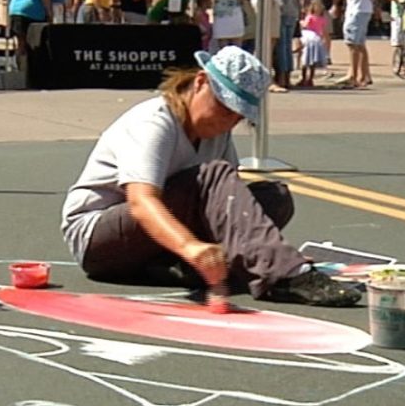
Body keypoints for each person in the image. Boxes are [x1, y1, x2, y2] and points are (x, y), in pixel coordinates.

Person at [60, 46, 357, 307]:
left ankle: (179, 265)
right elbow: (141, 202)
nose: (229, 120)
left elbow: (230, 204)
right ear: (200, 82)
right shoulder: (154, 122)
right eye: (225, 108)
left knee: (273, 197)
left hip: (156, 237)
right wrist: (192, 246)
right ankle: (284, 276)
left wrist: (270, 247)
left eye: (238, 116)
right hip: (98, 237)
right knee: (215, 175)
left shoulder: (217, 133)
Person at [296, 0, 330, 88]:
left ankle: (303, 78)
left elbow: (305, 25)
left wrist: (301, 22)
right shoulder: (322, 19)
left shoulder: (310, 17)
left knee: (306, 59)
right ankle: (310, 79)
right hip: (317, 39)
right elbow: (323, 31)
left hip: (308, 37)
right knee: (312, 61)